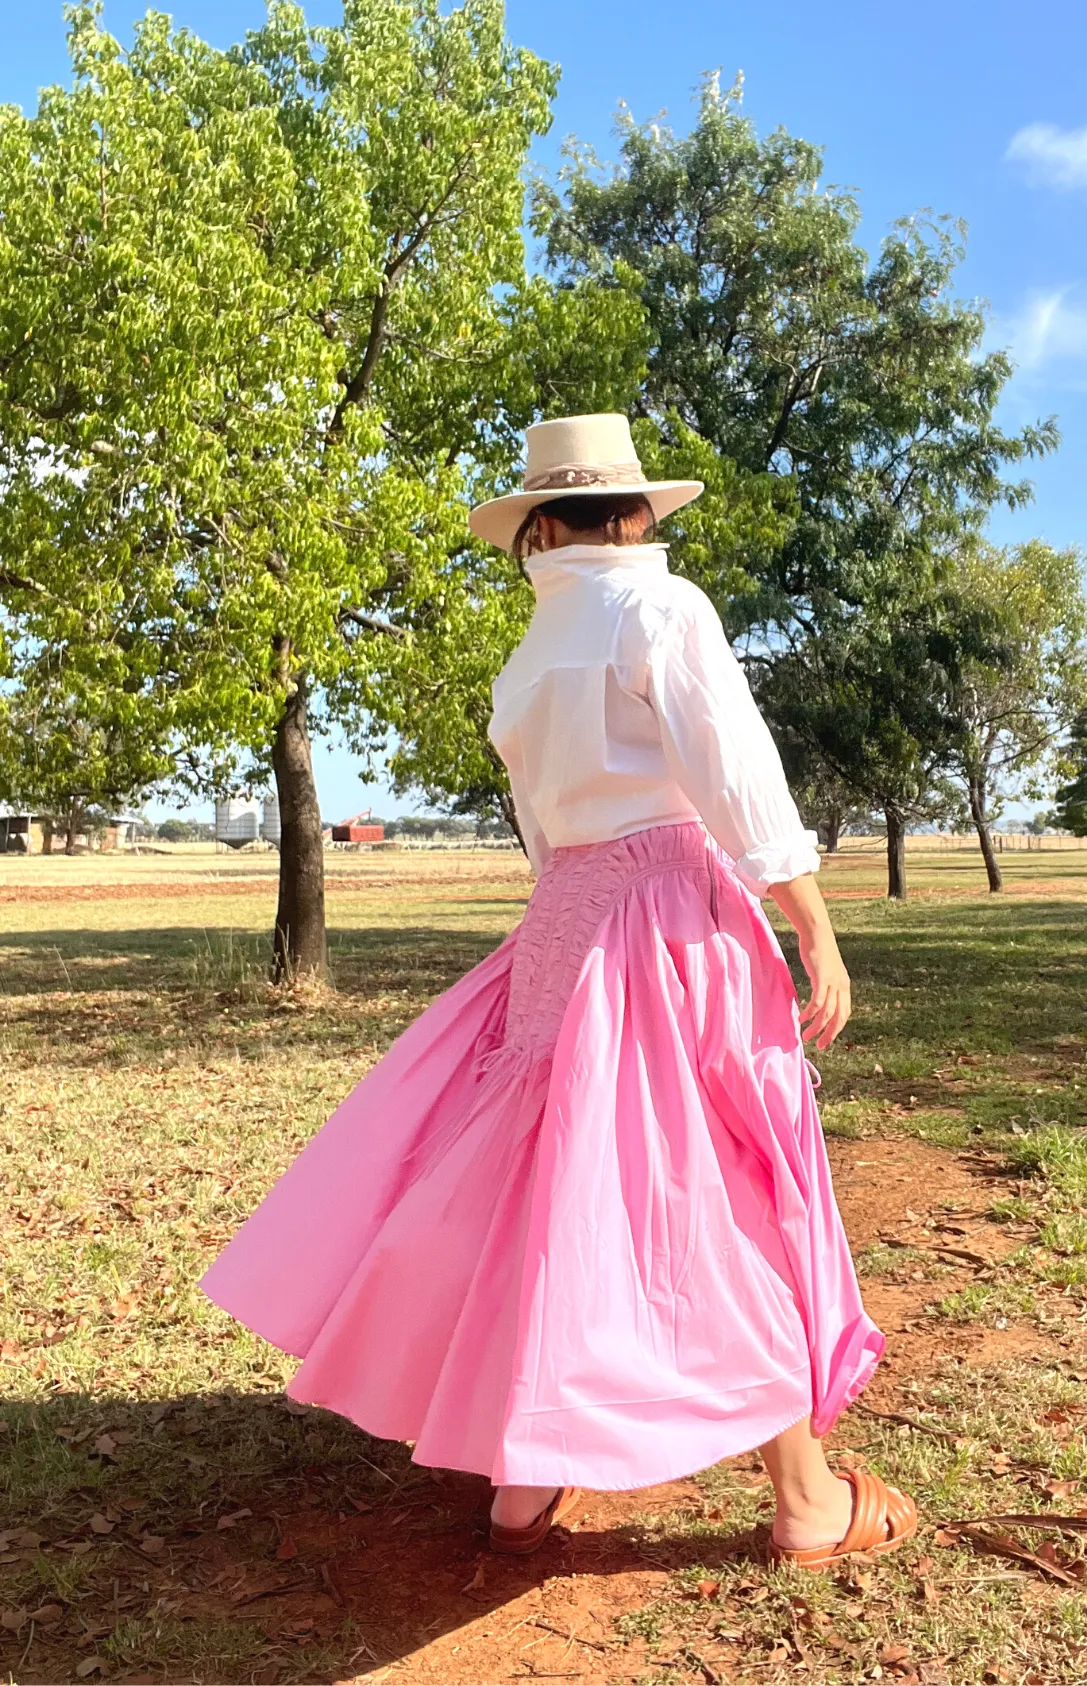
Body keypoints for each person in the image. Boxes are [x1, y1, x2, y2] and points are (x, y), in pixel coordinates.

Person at [201, 413, 916, 1567]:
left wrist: (580, 914)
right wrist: (813, 929)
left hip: (563, 923)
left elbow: (546, 830)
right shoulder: (661, 607)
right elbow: (733, 771)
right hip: (670, 911)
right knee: (704, 1183)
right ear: (633, 514)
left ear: (536, 525)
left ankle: (522, 1489)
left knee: (560, 1184)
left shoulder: (529, 656)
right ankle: (807, 1501)